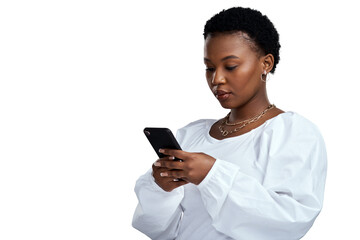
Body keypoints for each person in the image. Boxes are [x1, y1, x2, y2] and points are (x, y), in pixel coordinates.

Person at [132, 7, 327, 240]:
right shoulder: (191, 135)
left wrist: (211, 175)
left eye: (230, 66)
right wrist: (161, 189)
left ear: (266, 64)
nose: (217, 79)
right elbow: (162, 230)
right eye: (210, 68)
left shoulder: (292, 133)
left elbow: (290, 222)